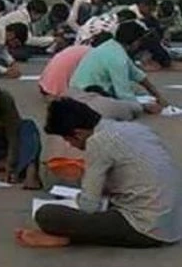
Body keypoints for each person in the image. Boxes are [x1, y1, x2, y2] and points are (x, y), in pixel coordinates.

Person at [16, 98, 182, 248]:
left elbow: (89, 206)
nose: (70, 145)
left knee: (46, 215)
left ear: (78, 133)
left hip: (145, 228)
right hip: (172, 222)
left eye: (68, 140)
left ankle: (67, 239)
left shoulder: (98, 142)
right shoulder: (135, 129)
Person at [69, 21, 168, 114]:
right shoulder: (118, 58)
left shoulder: (112, 46)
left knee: (134, 94)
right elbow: (124, 94)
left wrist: (157, 94)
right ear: (135, 42)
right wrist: (143, 107)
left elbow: (137, 74)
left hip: (77, 92)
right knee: (128, 111)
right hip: (85, 98)